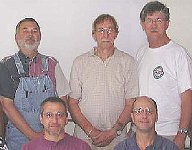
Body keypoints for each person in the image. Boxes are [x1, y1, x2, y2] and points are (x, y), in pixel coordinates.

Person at [0, 18, 70, 150]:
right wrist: (34, 137)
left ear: (40, 36)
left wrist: (51, 133)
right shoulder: (6, 66)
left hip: (52, 136)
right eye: (25, 31)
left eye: (34, 31)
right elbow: (6, 106)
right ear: (16, 37)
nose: (30, 34)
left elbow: (63, 102)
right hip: (18, 139)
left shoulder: (52, 64)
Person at [68, 14, 138, 150]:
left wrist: (113, 132)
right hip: (84, 138)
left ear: (116, 33)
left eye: (110, 29)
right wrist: (91, 131)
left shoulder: (128, 62)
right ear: (94, 35)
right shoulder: (80, 62)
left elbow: (131, 103)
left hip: (117, 138)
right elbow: (72, 102)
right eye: (100, 30)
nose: (105, 34)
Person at [137, 1, 192, 149]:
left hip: (170, 134)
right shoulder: (141, 53)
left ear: (167, 24)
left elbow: (187, 97)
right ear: (143, 24)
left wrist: (182, 133)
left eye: (159, 20)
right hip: (143, 134)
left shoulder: (178, 54)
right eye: (149, 20)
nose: (153, 25)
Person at [21, 97, 91, 150]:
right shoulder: (29, 148)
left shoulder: (82, 147)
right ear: (41, 119)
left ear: (66, 119)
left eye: (59, 115)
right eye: (49, 115)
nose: (54, 120)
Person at [114, 96, 179, 150]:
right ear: (132, 117)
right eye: (139, 111)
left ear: (156, 116)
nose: (144, 116)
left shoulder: (170, 147)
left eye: (149, 111)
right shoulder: (121, 148)